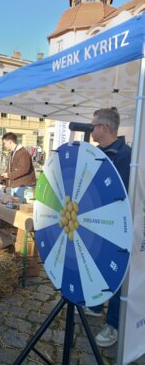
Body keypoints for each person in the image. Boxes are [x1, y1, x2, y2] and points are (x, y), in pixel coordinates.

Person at [86, 108, 131, 348]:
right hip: (94, 224)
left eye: (93, 126)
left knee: (117, 273)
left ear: (104, 128)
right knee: (95, 264)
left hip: (117, 227)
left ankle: (113, 324)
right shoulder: (95, 153)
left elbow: (120, 195)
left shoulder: (126, 157)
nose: (90, 130)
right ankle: (94, 305)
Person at [1, 132, 36, 199]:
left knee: (21, 207)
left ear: (10, 142)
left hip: (23, 187)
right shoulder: (13, 153)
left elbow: (24, 169)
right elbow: (9, 169)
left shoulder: (23, 153)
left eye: (5, 143)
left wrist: (9, 175)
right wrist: (2, 179)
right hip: (16, 186)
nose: (4, 145)